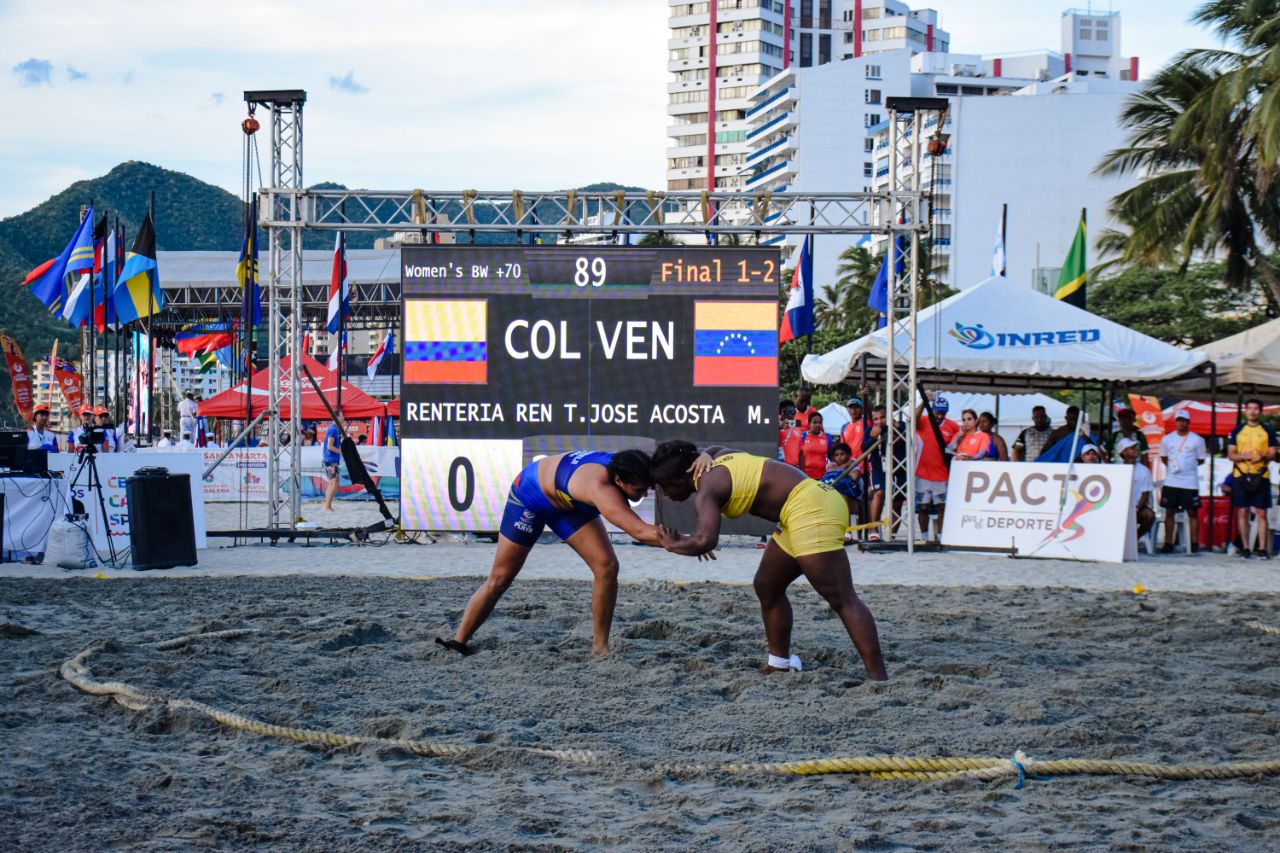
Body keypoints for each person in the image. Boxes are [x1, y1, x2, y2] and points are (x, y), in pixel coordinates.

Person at [650, 440, 888, 681]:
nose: (665, 494)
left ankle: (877, 677)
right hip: (803, 506)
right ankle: (778, 664)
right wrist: (705, 454)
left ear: (679, 478)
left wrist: (673, 544)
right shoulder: (718, 456)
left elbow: (706, 540)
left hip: (811, 508)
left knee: (842, 598)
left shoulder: (707, 487)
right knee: (767, 586)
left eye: (664, 487)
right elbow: (710, 449)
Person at [439, 449, 667, 657]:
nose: (642, 495)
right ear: (619, 480)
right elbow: (639, 532)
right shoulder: (601, 488)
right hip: (531, 496)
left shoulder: (624, 465)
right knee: (500, 578)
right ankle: (459, 641)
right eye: (637, 490)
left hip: (567, 501)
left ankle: (600, 647)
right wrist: (695, 543)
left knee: (607, 566)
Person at [1226, 398, 1278, 559]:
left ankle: (1262, 549)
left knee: (1262, 513)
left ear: (1261, 411)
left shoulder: (1267, 429)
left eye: (1256, 408)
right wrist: (1244, 456)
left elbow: (1273, 453)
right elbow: (1231, 454)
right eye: (1250, 408)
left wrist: (1262, 455)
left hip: (1261, 474)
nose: (1253, 411)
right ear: (1245, 410)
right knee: (1242, 511)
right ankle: (1246, 548)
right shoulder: (1238, 430)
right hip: (1241, 474)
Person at [1158, 409, 1207, 554]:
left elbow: (1201, 459)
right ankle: (1168, 543)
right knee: (1169, 512)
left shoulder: (1197, 440)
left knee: (1192, 512)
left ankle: (1194, 543)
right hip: (1171, 481)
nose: (1181, 423)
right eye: (1179, 420)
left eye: (1184, 421)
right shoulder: (1167, 439)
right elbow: (1164, 457)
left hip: (1189, 482)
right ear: (1176, 422)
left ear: (1189, 422)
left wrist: (1187, 467)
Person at [915, 394, 958, 540]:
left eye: (943, 413)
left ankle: (940, 536)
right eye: (937, 412)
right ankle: (924, 537)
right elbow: (913, 419)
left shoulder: (952, 426)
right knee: (923, 507)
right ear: (931, 410)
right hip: (923, 473)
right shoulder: (925, 421)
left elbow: (960, 440)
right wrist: (924, 402)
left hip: (942, 474)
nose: (939, 416)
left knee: (942, 506)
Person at [863, 404, 905, 542]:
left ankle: (891, 535)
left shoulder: (899, 425)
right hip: (879, 468)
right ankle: (873, 529)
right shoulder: (870, 429)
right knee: (879, 493)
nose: (879, 421)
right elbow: (863, 448)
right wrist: (874, 437)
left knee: (897, 502)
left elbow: (903, 429)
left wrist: (884, 428)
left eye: (882, 418)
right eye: (876, 419)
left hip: (899, 467)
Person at [1119, 437, 1155, 539]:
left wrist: (1136, 508)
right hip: (1120, 508)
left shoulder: (1144, 470)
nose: (1136, 449)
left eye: (1136, 447)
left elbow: (1145, 495)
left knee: (1150, 515)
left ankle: (1135, 539)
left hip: (1138, 508)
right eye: (1132, 448)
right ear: (1124, 452)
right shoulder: (1117, 469)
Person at [797, 412, 834, 480]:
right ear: (809, 423)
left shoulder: (827, 437)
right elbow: (798, 456)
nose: (818, 425)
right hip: (804, 476)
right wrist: (801, 473)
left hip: (822, 476)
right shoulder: (801, 436)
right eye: (815, 422)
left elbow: (831, 456)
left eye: (820, 422)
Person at [321, 418, 344, 512]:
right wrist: (341, 452)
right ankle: (327, 506)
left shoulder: (334, 428)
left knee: (332, 482)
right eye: (342, 415)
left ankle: (327, 506)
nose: (344, 418)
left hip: (331, 459)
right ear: (336, 417)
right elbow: (329, 446)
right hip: (330, 459)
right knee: (333, 482)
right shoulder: (333, 429)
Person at [777, 400, 802, 466]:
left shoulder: (797, 427)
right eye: (787, 412)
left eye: (793, 412)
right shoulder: (775, 426)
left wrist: (802, 470)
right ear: (780, 413)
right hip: (780, 465)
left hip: (794, 467)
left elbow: (800, 451)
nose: (790, 415)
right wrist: (779, 427)